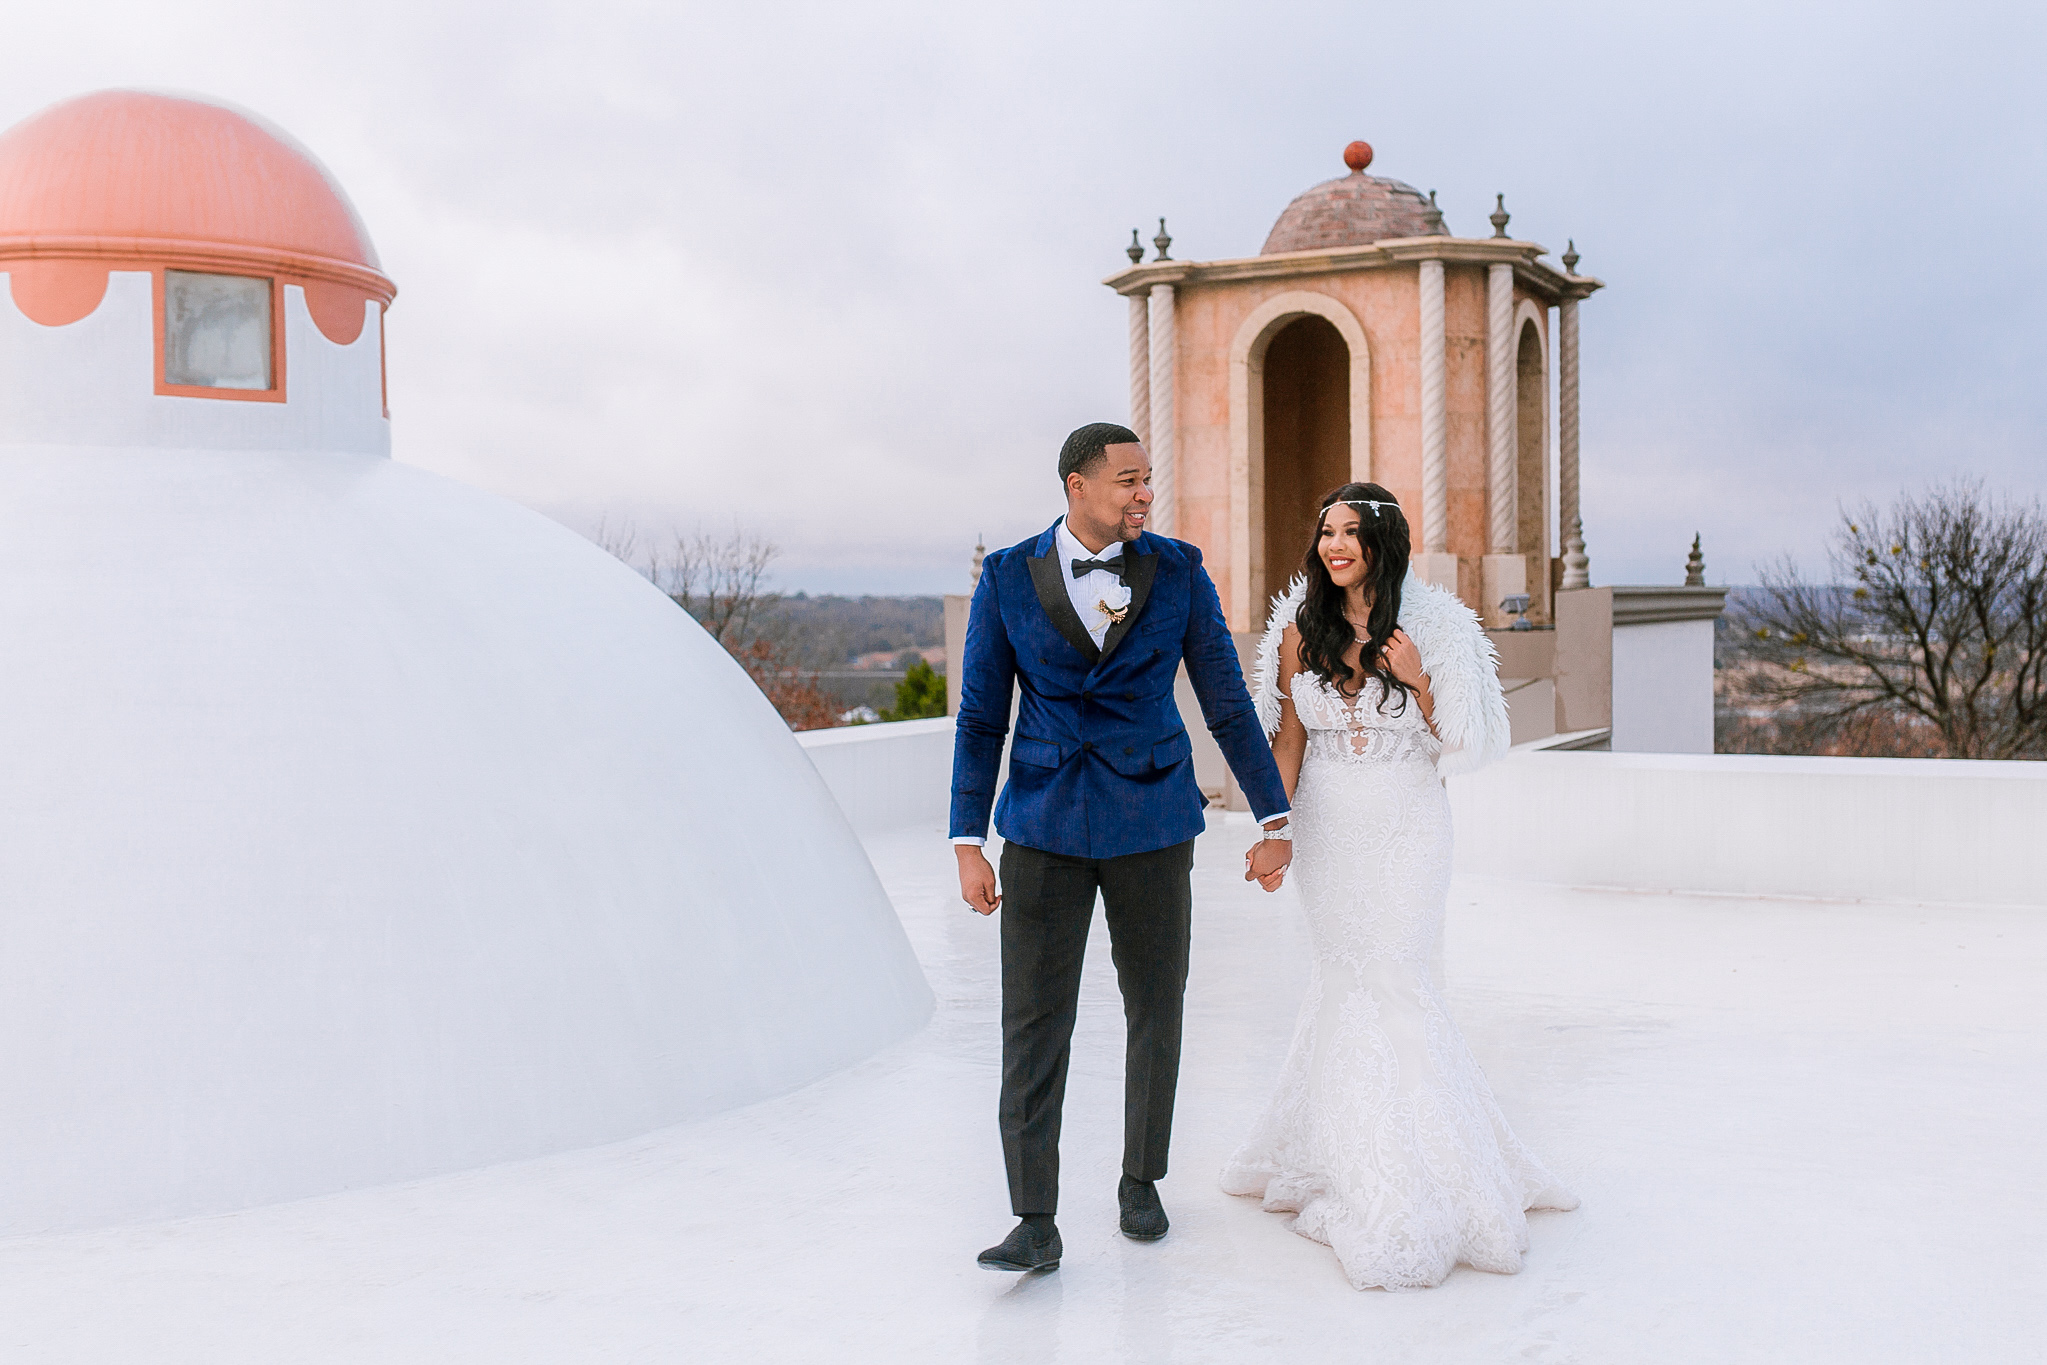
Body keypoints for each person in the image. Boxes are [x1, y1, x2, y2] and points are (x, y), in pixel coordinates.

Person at [951, 422, 1294, 1273]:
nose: (1145, 493)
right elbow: (981, 716)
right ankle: (1034, 1218)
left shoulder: (1176, 569)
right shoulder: (1005, 576)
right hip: (1039, 823)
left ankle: (1141, 1178)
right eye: (1128, 480)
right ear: (1077, 485)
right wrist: (968, 839)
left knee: (1155, 1003)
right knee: (1032, 1023)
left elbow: (1223, 697)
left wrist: (1272, 817)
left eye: (1148, 479)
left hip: (1150, 819)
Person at [1220, 482, 1578, 1291]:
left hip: (1410, 823)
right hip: (1327, 825)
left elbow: (1467, 740)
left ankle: (1438, 1166)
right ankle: (1340, 1152)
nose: (1333, 546)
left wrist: (1418, 679)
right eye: (1325, 533)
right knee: (1344, 978)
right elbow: (1285, 739)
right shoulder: (1293, 631)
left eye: (1349, 532)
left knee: (1401, 979)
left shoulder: (1440, 627)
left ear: (1383, 542)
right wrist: (1272, 833)